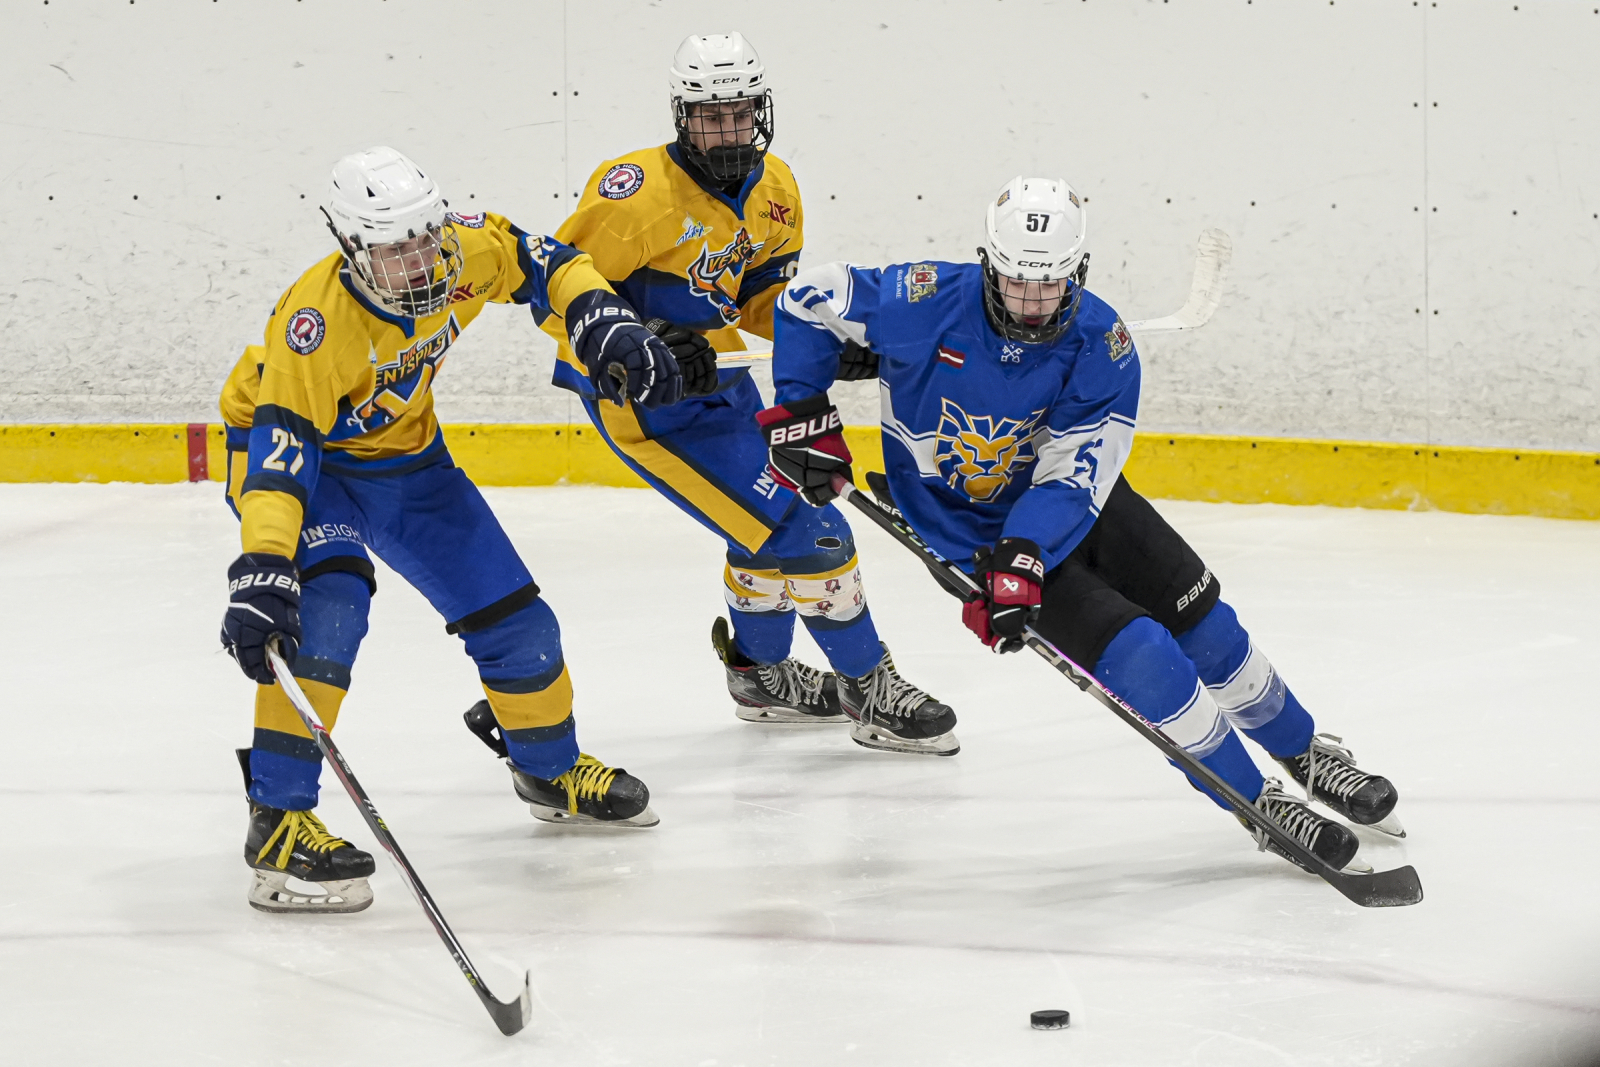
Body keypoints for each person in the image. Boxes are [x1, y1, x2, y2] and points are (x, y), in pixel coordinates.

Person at [763, 175, 1405, 874]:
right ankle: (1258, 802)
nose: (1032, 302)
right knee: (1146, 658)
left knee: (1210, 629)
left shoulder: (1105, 343)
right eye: (1016, 281)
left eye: (1050, 284)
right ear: (988, 264)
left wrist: (1028, 553)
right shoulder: (923, 298)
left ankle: (1306, 751)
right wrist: (801, 407)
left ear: (1077, 272)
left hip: (1073, 508)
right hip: (974, 535)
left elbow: (1074, 476)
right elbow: (808, 299)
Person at [219, 146, 681, 914]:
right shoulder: (315, 325)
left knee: (518, 621)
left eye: (425, 240)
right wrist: (266, 562)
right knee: (329, 610)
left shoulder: (461, 249)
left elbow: (545, 260)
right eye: (394, 251)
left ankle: (548, 768)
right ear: (350, 248)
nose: (420, 263)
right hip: (305, 466)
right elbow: (281, 453)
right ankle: (278, 821)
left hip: (408, 459)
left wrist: (598, 312)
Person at [535, 32, 957, 756]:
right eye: (711, 116)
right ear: (683, 116)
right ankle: (868, 686)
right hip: (647, 406)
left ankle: (760, 675)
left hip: (725, 378)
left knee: (757, 522)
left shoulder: (777, 188)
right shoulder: (632, 196)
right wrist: (648, 339)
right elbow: (555, 296)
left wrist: (829, 343)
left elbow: (761, 300)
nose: (728, 130)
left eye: (739, 113)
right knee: (811, 527)